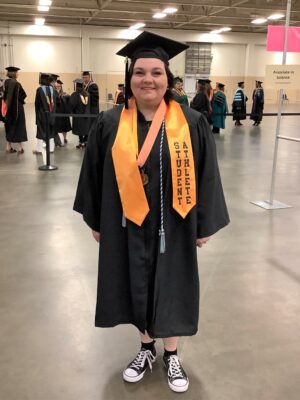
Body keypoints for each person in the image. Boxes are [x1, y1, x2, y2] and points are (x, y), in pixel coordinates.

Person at [74, 31, 229, 393]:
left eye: (156, 72)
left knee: (172, 284)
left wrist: (203, 223)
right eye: (140, 72)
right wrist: (97, 220)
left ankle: (171, 354)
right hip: (126, 222)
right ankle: (145, 347)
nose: (148, 79)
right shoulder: (110, 123)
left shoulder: (190, 123)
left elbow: (208, 174)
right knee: (133, 284)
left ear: (168, 79)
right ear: (130, 79)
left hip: (174, 224)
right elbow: (93, 174)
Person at [3, 66, 28, 154]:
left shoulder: (5, 82)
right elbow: (23, 95)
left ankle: (8, 147)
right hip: (17, 108)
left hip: (7, 109)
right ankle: (20, 148)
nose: (18, 74)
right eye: (17, 72)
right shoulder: (16, 83)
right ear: (14, 74)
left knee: (9, 126)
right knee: (19, 127)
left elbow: (4, 96)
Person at [33, 72, 56, 154]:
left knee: (40, 131)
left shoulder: (39, 90)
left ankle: (39, 149)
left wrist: (37, 115)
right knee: (50, 130)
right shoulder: (52, 89)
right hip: (51, 114)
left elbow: (37, 104)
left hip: (42, 114)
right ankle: (51, 149)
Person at [70, 79, 90, 148]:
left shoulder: (75, 94)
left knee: (79, 130)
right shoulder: (87, 94)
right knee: (86, 128)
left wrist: (72, 111)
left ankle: (81, 142)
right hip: (87, 115)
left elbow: (72, 104)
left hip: (78, 115)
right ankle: (85, 142)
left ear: (77, 86)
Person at [54, 79, 72, 144]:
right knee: (57, 127)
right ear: (55, 87)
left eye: (59, 86)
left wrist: (68, 96)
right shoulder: (53, 93)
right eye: (57, 86)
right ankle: (56, 140)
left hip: (64, 113)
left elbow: (69, 101)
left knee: (65, 126)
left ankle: (65, 138)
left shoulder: (64, 94)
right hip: (57, 113)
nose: (58, 87)